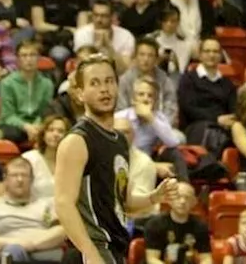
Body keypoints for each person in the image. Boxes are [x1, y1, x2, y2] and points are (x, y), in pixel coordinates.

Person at [55, 54, 178, 264]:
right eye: (94, 83)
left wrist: (153, 197)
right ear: (79, 93)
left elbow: (124, 202)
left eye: (109, 81)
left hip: (116, 247)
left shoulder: (120, 140)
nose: (104, 89)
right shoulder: (77, 140)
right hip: (95, 248)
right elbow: (63, 204)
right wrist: (90, 253)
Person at [143, 182, 211, 264]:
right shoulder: (155, 224)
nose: (182, 201)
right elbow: (152, 259)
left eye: (187, 198)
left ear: (194, 202)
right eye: (178, 196)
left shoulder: (200, 226)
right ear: (169, 199)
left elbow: (206, 259)